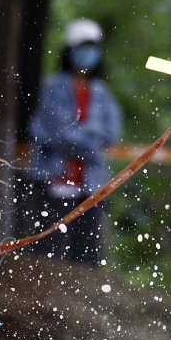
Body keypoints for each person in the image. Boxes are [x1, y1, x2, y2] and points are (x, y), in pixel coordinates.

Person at [27, 19, 123, 266]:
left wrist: (78, 133)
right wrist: (91, 139)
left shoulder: (101, 91)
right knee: (52, 257)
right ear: (69, 50)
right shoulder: (54, 87)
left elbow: (111, 132)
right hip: (55, 185)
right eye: (83, 47)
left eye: (93, 47)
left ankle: (83, 306)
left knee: (89, 258)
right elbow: (58, 133)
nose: (88, 54)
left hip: (91, 187)